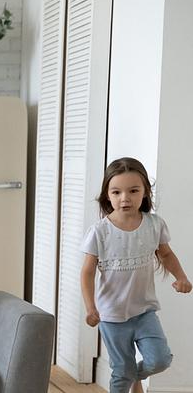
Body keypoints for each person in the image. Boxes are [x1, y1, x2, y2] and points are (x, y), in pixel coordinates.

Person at [80, 157, 191, 393]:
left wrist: (180, 277)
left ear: (145, 192)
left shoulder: (154, 225)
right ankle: (128, 377)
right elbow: (87, 272)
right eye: (117, 192)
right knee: (122, 370)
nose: (125, 198)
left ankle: (132, 376)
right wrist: (91, 308)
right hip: (112, 315)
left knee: (159, 360)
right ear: (107, 195)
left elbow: (167, 254)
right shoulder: (100, 232)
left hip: (144, 311)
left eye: (133, 191)